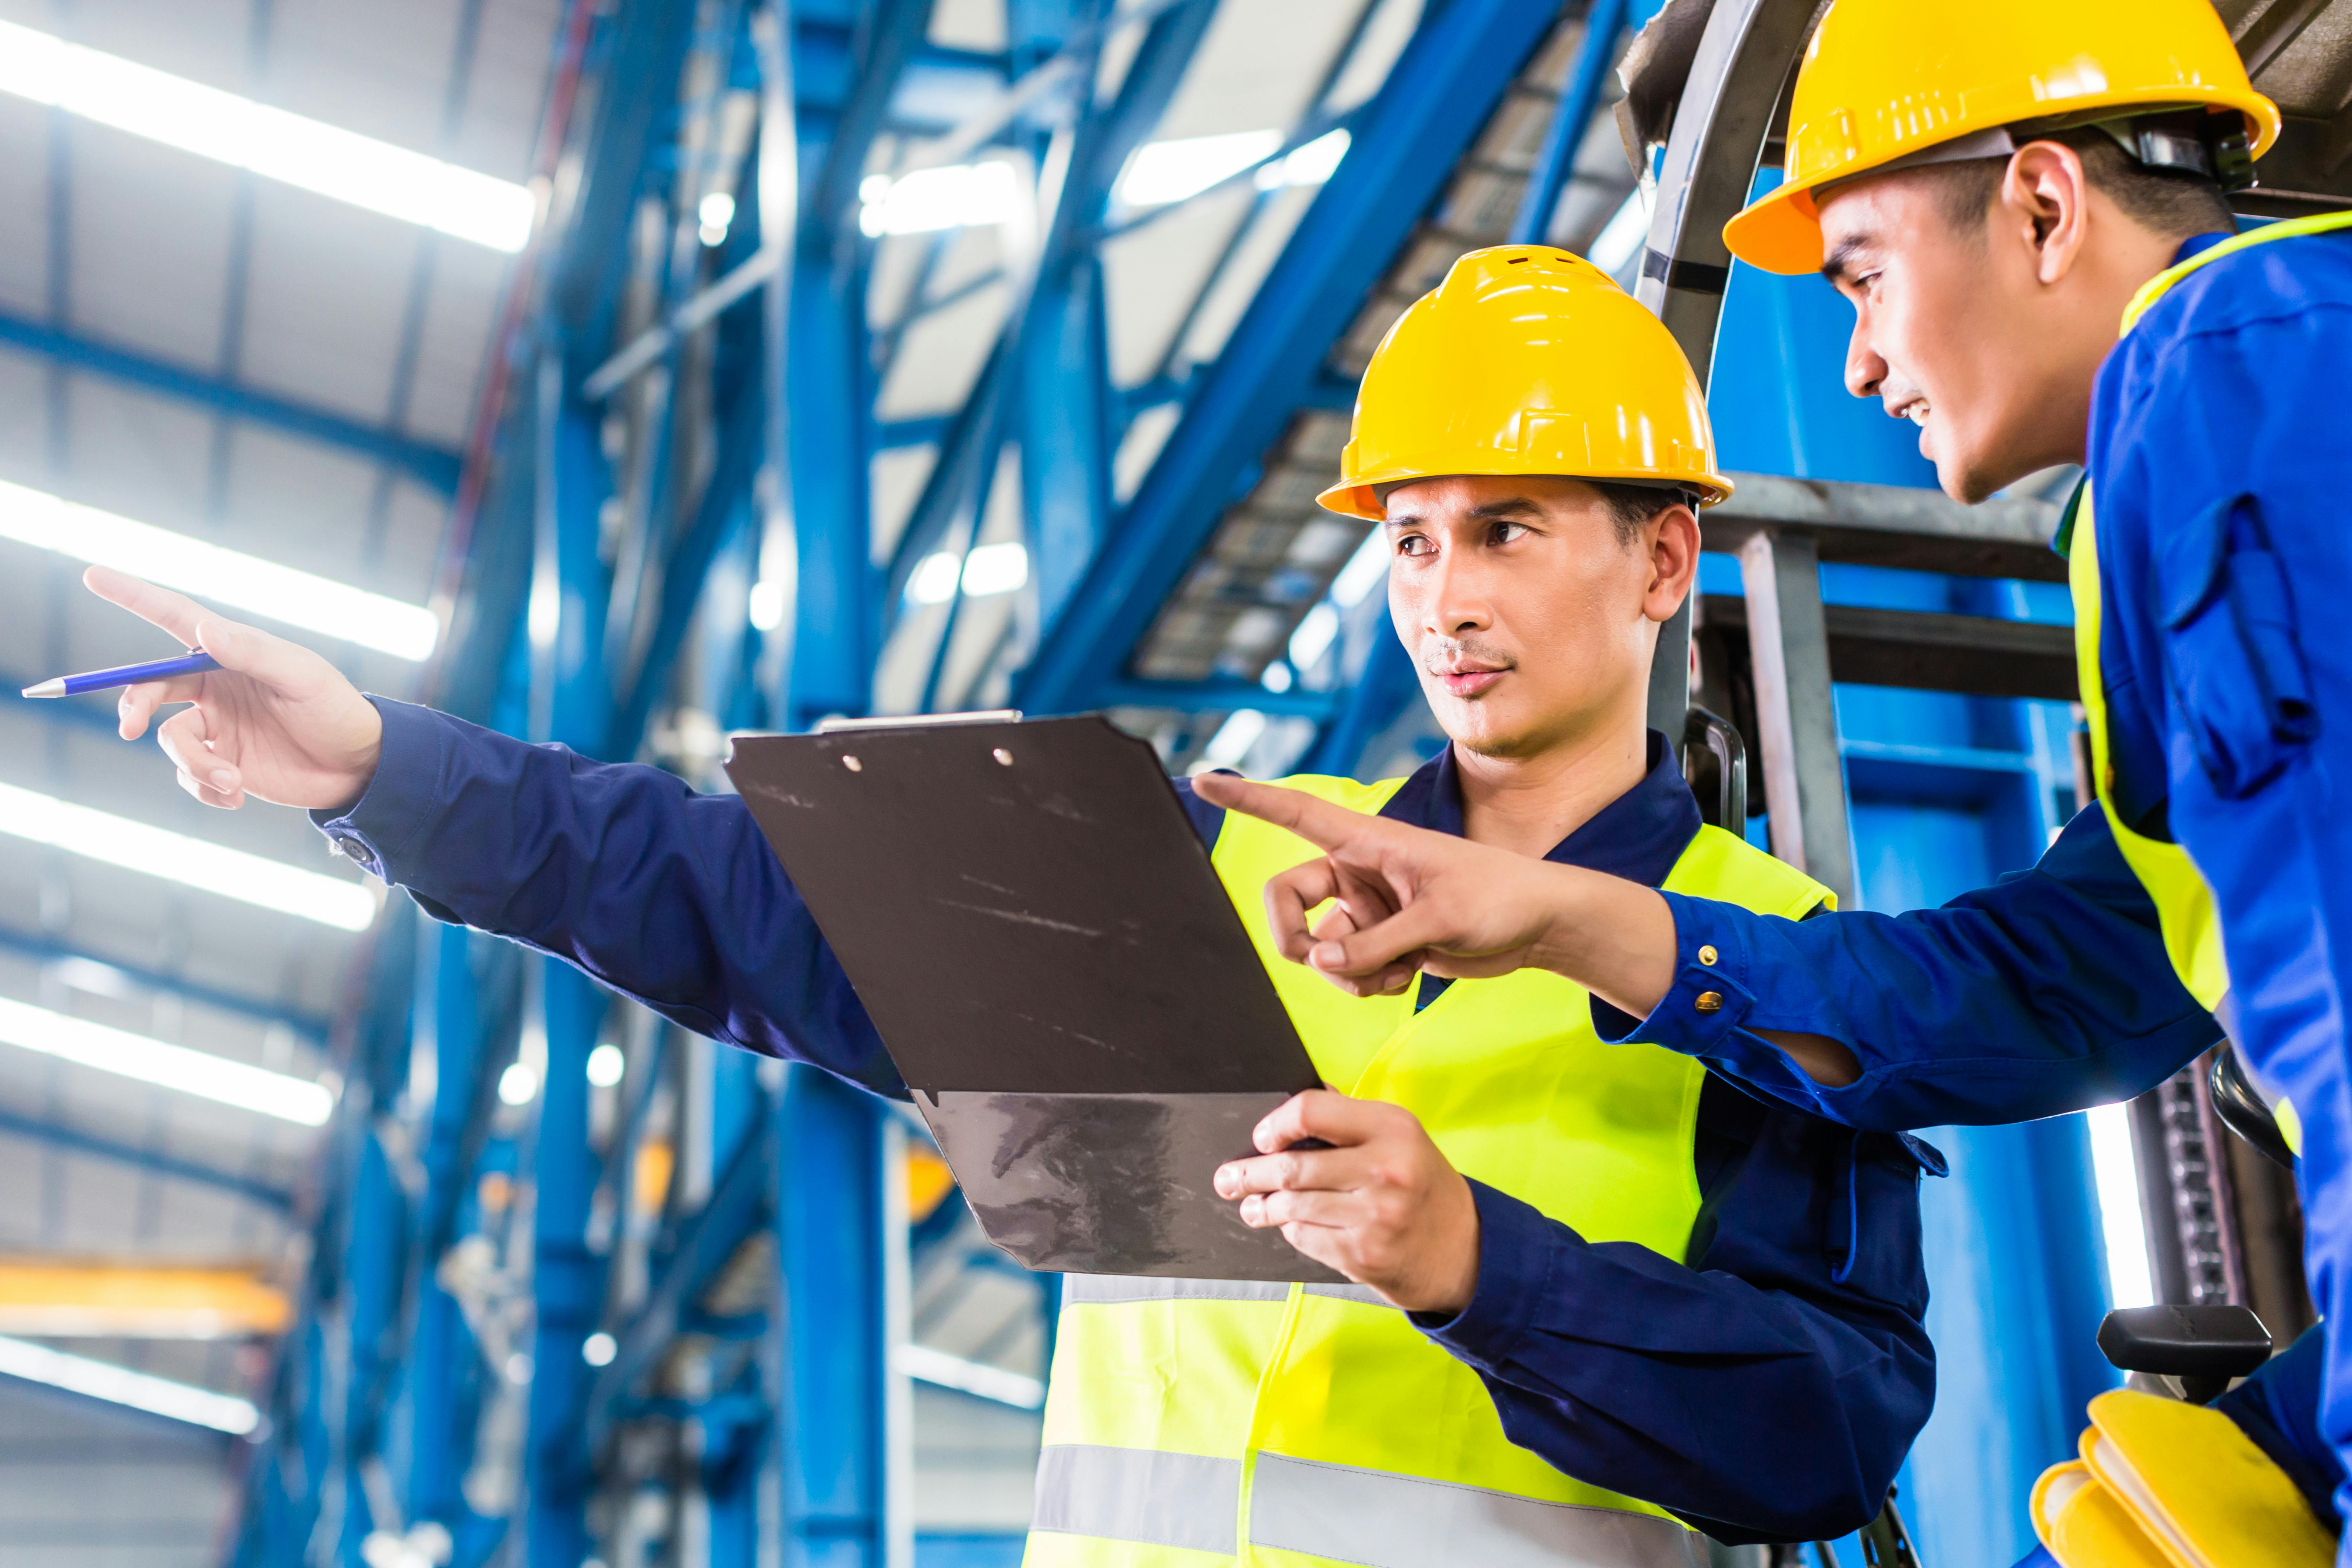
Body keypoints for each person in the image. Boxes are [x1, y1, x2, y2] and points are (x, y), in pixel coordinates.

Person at [96, 248, 1933, 1560]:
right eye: (1410, 535)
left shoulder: (1773, 962)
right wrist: (371, 765)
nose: (1444, 594)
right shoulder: (1222, 881)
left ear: (1664, 558)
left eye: (1509, 528)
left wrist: (1480, 1267)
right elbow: (718, 892)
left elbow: (1830, 1431)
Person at [1192, 0, 2352, 1553]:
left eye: (1865, 274)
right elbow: (2062, 989)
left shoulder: (2243, 372)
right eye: (1411, 539)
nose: (1861, 361)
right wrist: (1555, 916)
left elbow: (2331, 986)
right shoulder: (2208, 431)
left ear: (2044, 205)